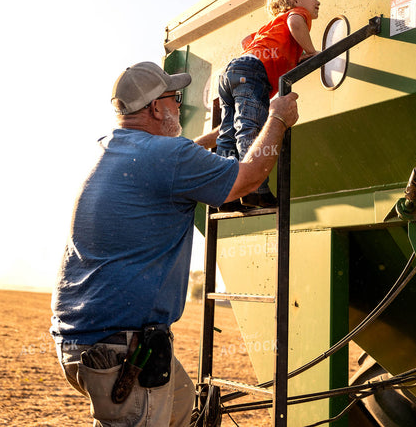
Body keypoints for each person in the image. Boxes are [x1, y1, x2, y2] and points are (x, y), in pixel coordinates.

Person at [50, 60, 298, 427]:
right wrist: (276, 119)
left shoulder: (116, 149)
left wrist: (216, 135)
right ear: (154, 107)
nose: (180, 106)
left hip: (83, 341)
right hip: (120, 350)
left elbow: (173, 163)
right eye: (175, 98)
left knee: (181, 409)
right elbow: (246, 180)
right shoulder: (168, 157)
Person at [216, 0, 319, 209]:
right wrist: (312, 52)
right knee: (251, 128)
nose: (317, 1)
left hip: (231, 72)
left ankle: (225, 193)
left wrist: (295, 58)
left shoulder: (271, 26)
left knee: (228, 133)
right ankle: (256, 190)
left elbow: (248, 41)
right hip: (252, 72)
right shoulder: (297, 14)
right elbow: (295, 23)